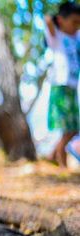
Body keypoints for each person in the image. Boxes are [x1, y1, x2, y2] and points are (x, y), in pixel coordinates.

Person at [45, 2, 80, 168]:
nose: (76, 26)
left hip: (72, 87)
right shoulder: (57, 37)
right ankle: (61, 162)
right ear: (61, 21)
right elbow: (47, 20)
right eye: (73, 22)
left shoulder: (76, 38)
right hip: (60, 87)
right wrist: (54, 19)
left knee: (73, 127)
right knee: (68, 128)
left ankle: (52, 154)